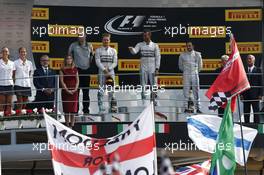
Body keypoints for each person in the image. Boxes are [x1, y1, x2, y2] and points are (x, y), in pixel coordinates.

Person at [128, 30, 161, 101]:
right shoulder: (140, 44)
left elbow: (158, 57)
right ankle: (144, 100)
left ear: (150, 35)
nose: (145, 37)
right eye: (144, 36)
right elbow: (134, 52)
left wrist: (157, 68)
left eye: (146, 35)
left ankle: (154, 100)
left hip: (152, 67)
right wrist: (131, 50)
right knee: (143, 84)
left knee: (154, 84)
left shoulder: (155, 45)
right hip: (143, 67)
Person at [68, 33, 94, 114]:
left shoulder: (90, 45)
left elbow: (92, 56)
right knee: (76, 92)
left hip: (86, 71)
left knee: (86, 92)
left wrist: (89, 66)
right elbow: (69, 56)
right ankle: (75, 111)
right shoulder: (73, 45)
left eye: (82, 36)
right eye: (79, 36)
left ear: (85, 36)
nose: (80, 37)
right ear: (77, 37)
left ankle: (86, 111)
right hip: (76, 71)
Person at [95, 33, 117, 113]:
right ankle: (100, 108)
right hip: (101, 72)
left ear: (109, 40)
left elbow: (115, 62)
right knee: (101, 90)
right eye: (104, 40)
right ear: (102, 40)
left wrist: (109, 69)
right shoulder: (98, 50)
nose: (106, 41)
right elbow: (97, 61)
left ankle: (111, 108)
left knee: (111, 91)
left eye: (107, 40)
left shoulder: (113, 50)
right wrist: (104, 70)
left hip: (110, 73)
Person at [178, 41, 203, 114]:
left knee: (196, 91)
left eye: (190, 46)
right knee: (185, 91)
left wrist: (195, 71)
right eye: (187, 46)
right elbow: (180, 66)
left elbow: (200, 66)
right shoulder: (182, 55)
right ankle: (186, 108)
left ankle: (198, 108)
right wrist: (186, 71)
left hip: (194, 73)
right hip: (186, 73)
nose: (188, 47)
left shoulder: (197, 54)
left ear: (193, 46)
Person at [241, 54, 263, 123]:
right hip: (245, 95)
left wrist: (261, 94)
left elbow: (261, 83)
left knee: (256, 112)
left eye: (250, 58)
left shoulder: (258, 70)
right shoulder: (243, 70)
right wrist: (241, 94)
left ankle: (257, 127)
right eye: (248, 59)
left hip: (255, 95)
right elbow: (241, 83)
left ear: (254, 60)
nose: (249, 60)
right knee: (246, 112)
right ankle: (246, 126)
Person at [59, 55, 79, 128]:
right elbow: (62, 81)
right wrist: (67, 90)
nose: (69, 60)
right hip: (65, 91)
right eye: (67, 58)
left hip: (74, 91)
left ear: (72, 60)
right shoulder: (62, 69)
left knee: (73, 109)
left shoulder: (75, 69)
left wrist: (75, 89)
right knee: (67, 109)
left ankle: (72, 125)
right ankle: (67, 125)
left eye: (70, 58)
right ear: (65, 60)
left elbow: (77, 80)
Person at [0, 47, 15, 116]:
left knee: (9, 102)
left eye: (6, 51)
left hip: (9, 84)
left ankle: (8, 116)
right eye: (3, 51)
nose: (5, 53)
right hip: (1, 84)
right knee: (2, 102)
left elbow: (13, 74)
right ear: (1, 53)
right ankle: (1, 118)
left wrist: (12, 82)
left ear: (8, 53)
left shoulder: (12, 63)